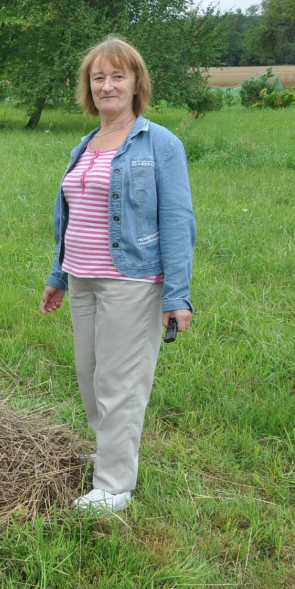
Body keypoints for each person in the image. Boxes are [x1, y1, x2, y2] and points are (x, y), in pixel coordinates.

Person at [39, 37, 195, 514]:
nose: (107, 85)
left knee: (120, 383)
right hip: (82, 278)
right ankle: (110, 453)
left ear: (135, 84)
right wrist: (58, 275)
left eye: (117, 76)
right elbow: (72, 216)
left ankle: (114, 487)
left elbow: (177, 220)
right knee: (90, 376)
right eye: (98, 77)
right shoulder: (84, 144)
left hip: (132, 280)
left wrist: (178, 294)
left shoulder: (160, 144)